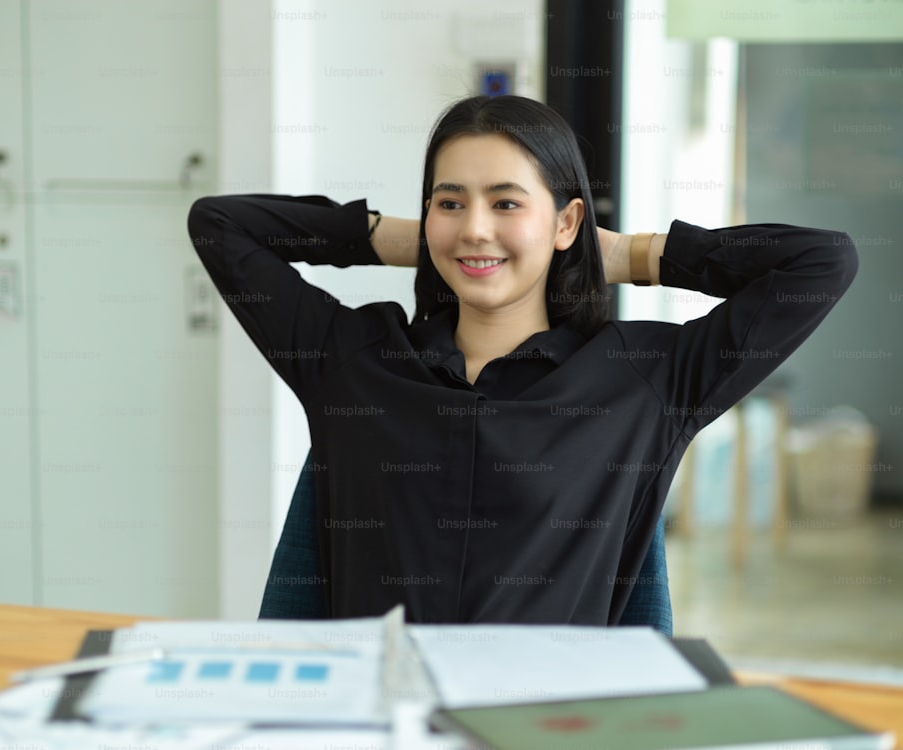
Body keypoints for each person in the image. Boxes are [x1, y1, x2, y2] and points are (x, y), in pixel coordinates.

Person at [187, 94, 857, 625]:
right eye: (451, 203)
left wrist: (624, 255)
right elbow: (220, 225)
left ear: (565, 223)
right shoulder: (353, 361)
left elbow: (821, 262)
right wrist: (410, 240)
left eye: (507, 203)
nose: (476, 227)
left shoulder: (643, 382)